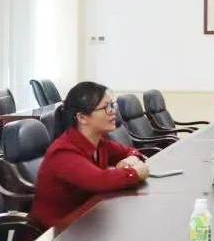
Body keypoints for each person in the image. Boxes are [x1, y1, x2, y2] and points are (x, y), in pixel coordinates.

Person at [30, 82, 149, 230]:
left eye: (112, 105)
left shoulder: (100, 142)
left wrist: (131, 158)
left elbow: (131, 151)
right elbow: (99, 180)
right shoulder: (63, 151)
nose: (113, 112)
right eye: (106, 107)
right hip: (56, 232)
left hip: (88, 220)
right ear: (82, 118)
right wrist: (135, 173)